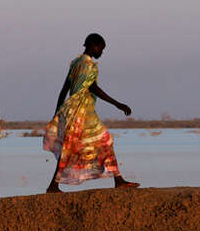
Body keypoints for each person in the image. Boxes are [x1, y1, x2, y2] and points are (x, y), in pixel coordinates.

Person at [42, 33, 139, 193]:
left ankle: (118, 180)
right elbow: (93, 88)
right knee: (103, 141)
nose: (102, 52)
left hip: (72, 110)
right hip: (81, 113)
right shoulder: (88, 65)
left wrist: (58, 112)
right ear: (94, 46)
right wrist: (117, 104)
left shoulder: (75, 63)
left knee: (79, 145)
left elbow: (64, 90)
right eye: (101, 48)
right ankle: (53, 185)